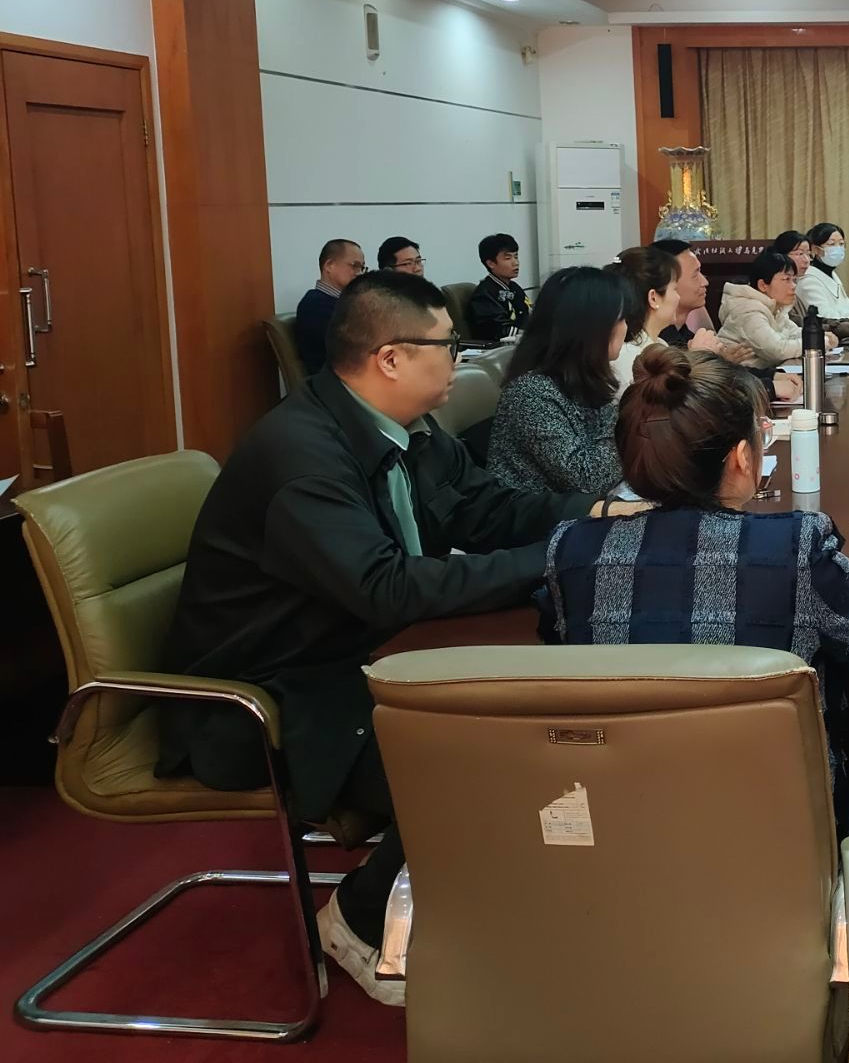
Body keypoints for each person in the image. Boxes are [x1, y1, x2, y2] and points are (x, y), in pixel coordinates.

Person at [157, 271, 642, 1005]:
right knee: (492, 757)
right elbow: (384, 587)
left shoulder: (403, 427)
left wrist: (596, 515)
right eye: (446, 345)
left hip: (362, 651)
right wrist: (559, 556)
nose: (459, 357)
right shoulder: (302, 455)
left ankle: (489, 896)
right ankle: (355, 919)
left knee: (540, 718)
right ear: (390, 358)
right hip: (267, 699)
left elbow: (482, 507)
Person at [544, 349, 849, 820]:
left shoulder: (573, 551)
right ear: (742, 457)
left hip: (624, 830)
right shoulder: (792, 550)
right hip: (780, 835)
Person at [489, 267, 630, 497]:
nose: (626, 327)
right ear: (593, 328)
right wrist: (628, 413)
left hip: (580, 511)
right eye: (621, 318)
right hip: (542, 517)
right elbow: (589, 480)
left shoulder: (583, 379)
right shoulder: (531, 393)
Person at [652, 239, 803, 401]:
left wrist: (771, 376)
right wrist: (769, 387)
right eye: (696, 275)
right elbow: (688, 396)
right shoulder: (656, 346)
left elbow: (726, 373)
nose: (705, 282)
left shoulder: (682, 333)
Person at [607, 247, 690, 393]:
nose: (678, 297)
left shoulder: (659, 344)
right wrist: (698, 359)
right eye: (675, 289)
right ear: (653, 298)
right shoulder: (628, 357)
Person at [719, 249, 806, 367]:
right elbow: (777, 350)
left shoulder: (775, 308)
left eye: (794, 280)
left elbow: (794, 333)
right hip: (740, 376)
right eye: (787, 279)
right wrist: (819, 342)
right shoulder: (748, 312)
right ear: (763, 285)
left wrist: (821, 336)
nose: (793, 286)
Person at [294, 239, 366, 375]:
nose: (360, 273)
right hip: (334, 380)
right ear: (329, 265)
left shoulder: (344, 302)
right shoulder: (315, 305)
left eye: (362, 267)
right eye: (354, 266)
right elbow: (355, 346)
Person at [798, 222, 849, 326]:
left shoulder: (831, 274)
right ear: (815, 249)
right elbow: (825, 316)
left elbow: (841, 304)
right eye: (831, 244)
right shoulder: (808, 281)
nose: (838, 248)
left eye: (841, 244)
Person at [469, 232, 529, 343]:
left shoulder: (514, 287)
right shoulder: (484, 294)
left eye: (516, 256)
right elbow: (501, 330)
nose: (515, 263)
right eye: (508, 258)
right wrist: (534, 334)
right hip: (498, 347)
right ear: (491, 263)